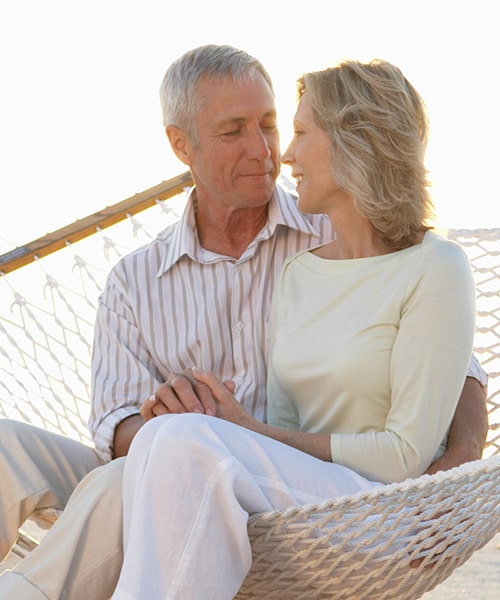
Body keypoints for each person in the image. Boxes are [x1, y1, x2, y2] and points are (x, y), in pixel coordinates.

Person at [0, 46, 488, 600]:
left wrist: (457, 471)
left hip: (281, 483)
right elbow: (116, 428)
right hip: (171, 468)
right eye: (234, 130)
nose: (268, 152)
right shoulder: (137, 282)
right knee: (12, 448)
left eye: (273, 125)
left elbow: (452, 363)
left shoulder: (334, 225)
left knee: (172, 454)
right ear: (182, 144)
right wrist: (173, 415)